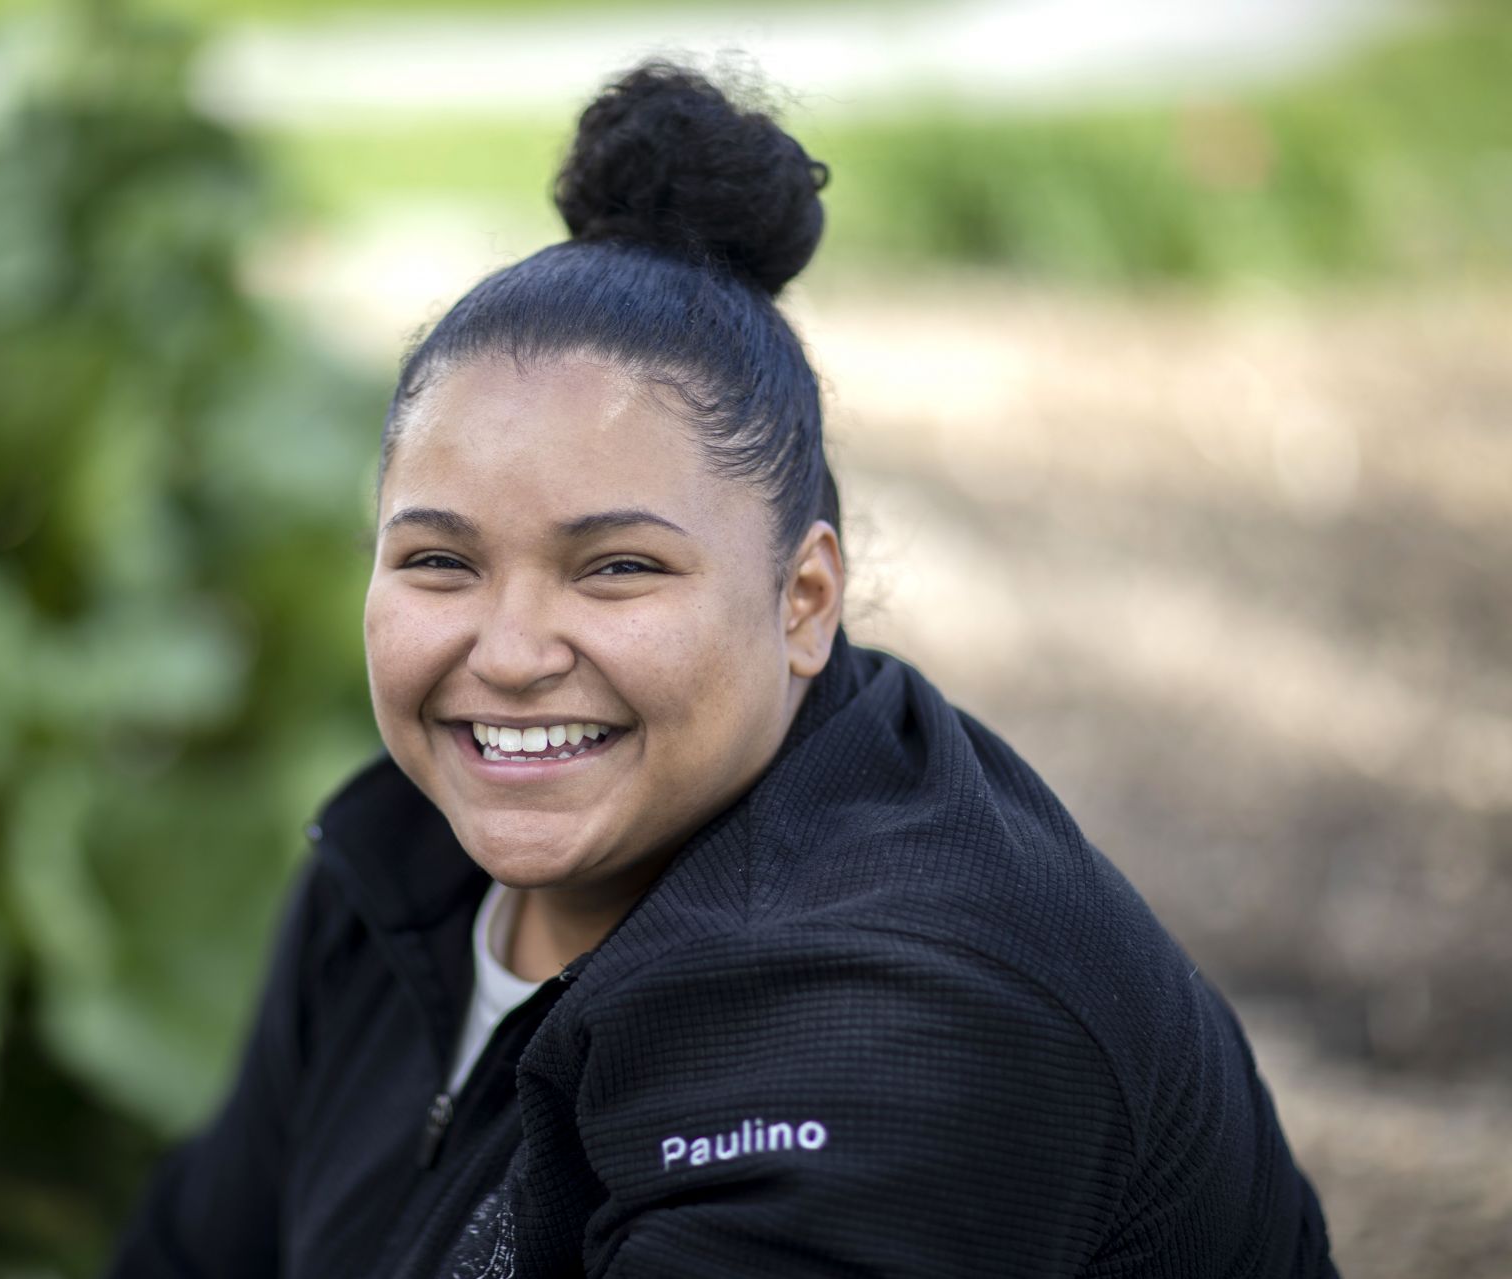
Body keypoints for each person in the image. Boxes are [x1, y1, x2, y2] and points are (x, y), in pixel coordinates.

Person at [107, 61, 1335, 1279]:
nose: (511, 653)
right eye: (439, 559)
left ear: (803, 600)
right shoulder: (399, 869)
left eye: (617, 569)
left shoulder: (905, 1024)